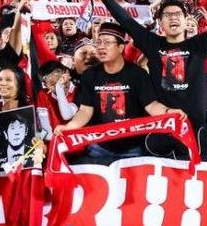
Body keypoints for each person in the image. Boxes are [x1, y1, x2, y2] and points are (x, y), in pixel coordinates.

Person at [98, 0, 207, 153]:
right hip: (161, 131)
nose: (173, 18)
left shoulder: (200, 44)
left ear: (186, 21)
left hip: (195, 132)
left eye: (178, 14)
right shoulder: (152, 43)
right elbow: (126, 20)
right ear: (160, 23)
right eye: (167, 15)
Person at [53, 23, 185, 158]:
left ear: (121, 47)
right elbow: (85, 111)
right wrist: (69, 127)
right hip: (99, 145)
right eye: (98, 42)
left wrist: (169, 112)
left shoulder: (137, 74)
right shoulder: (90, 75)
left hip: (133, 147)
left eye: (107, 42)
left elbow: (152, 105)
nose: (101, 46)